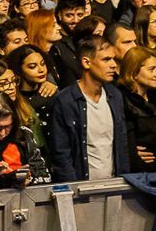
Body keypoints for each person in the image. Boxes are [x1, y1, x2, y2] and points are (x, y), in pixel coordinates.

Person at [45, 33, 132, 183]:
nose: (113, 64)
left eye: (113, 58)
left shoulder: (115, 95)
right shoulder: (65, 101)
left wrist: (123, 181)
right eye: (106, 59)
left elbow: (121, 144)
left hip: (115, 184)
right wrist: (73, 190)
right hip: (81, 187)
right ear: (86, 62)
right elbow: (61, 153)